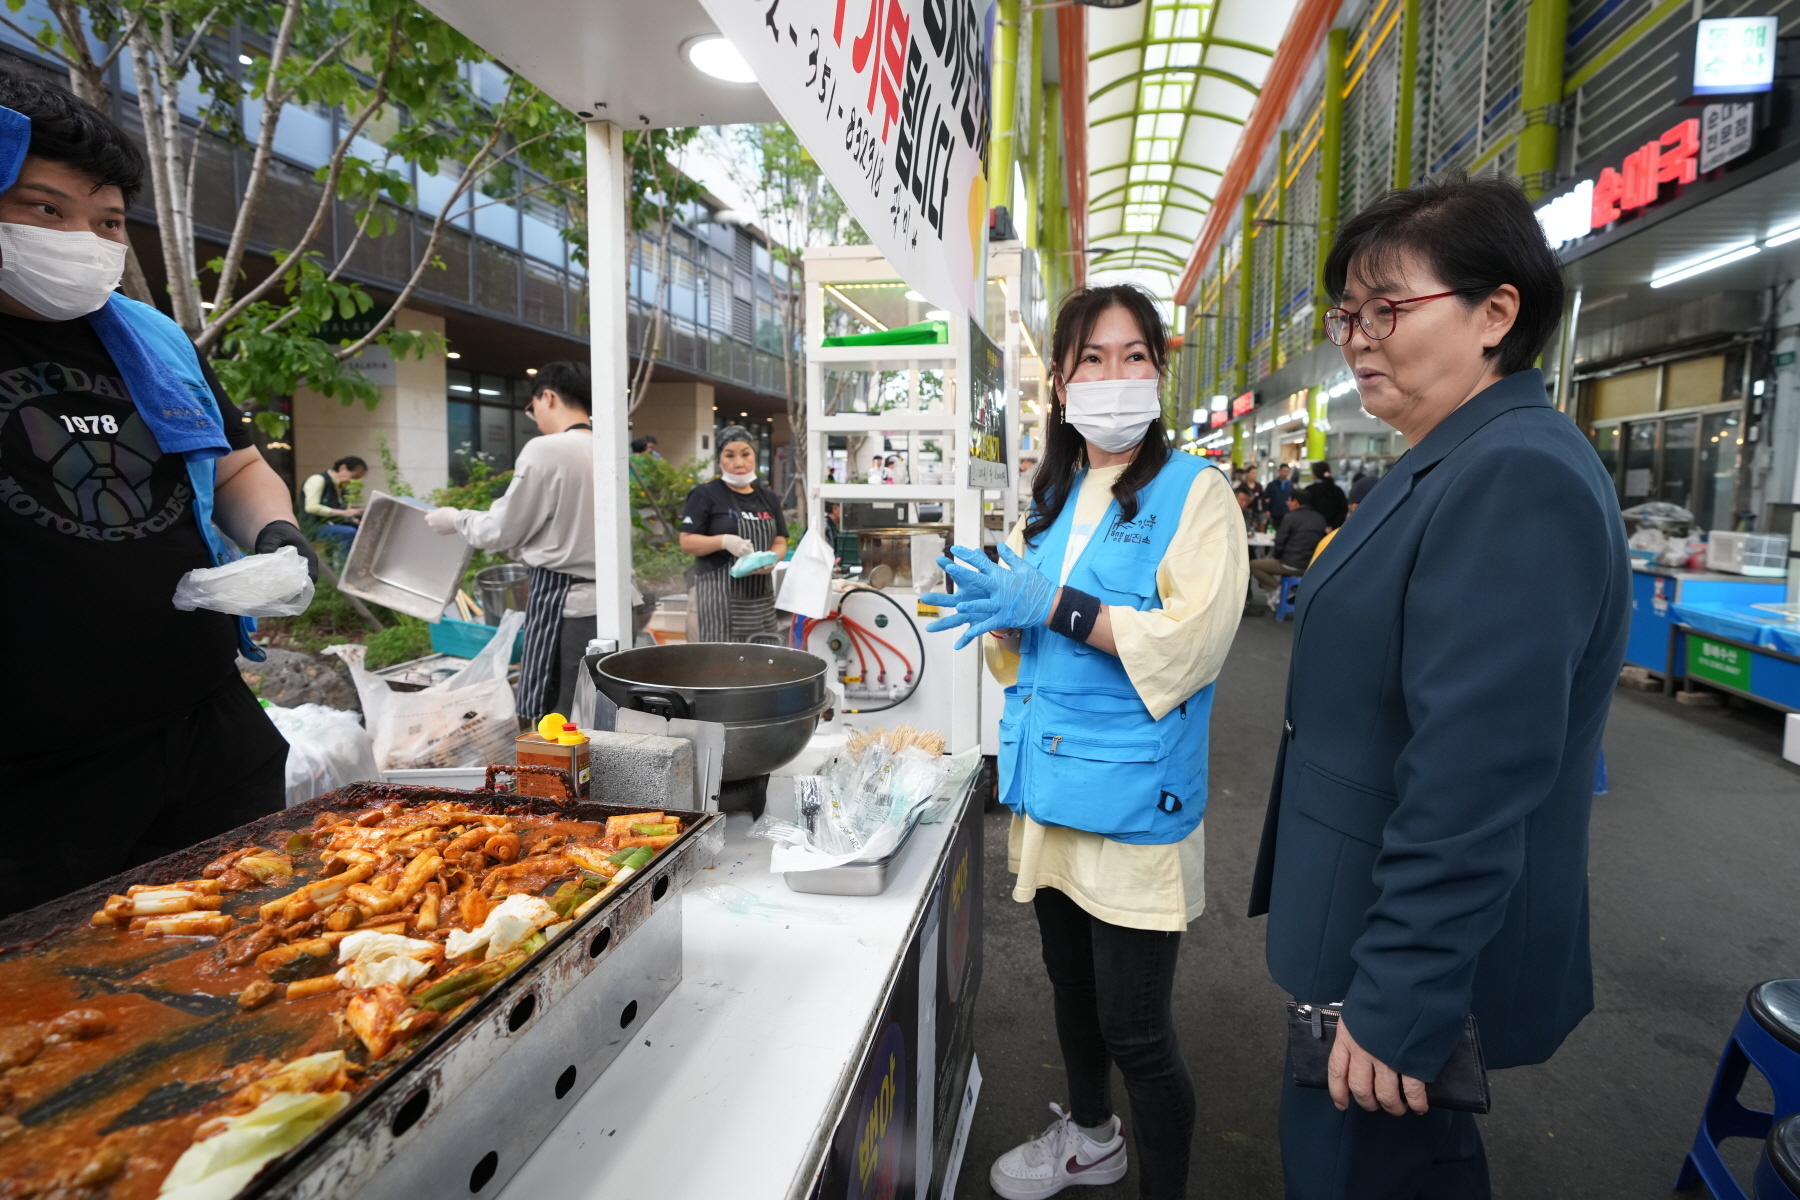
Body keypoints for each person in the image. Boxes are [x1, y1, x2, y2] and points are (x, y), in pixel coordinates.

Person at [1248, 177, 1629, 1198]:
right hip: (1365, 923)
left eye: (1388, 308)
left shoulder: (1514, 475)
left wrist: (1401, 997)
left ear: (1496, 313)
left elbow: (1473, 771)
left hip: (1396, 957)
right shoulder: (1448, 458)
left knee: (1368, 1173)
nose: (1359, 338)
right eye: (1348, 315)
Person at [921, 284, 1246, 1200]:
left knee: (1138, 1029)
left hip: (1136, 806)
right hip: (1050, 792)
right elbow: (1027, 665)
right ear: (1060, 384)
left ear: (1159, 372)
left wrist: (1051, 605)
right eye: (1091, 360)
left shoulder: (1196, 494)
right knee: (1073, 995)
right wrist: (1002, 615)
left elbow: (1191, 647)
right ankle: (1092, 1137)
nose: (1113, 376)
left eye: (1133, 356)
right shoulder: (1054, 497)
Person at [0, 78, 314, 916]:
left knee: (254, 959)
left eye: (106, 221)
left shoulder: (151, 338)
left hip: (208, 733)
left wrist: (280, 534)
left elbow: (239, 468)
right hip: (34, 787)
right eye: (44, 210)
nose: (85, 240)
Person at [426, 361, 597, 723]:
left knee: (558, 719)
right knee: (596, 715)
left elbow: (503, 529)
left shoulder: (547, 449)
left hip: (565, 606)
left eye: (532, 407)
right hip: (611, 602)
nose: (534, 417)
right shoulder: (606, 447)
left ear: (548, 397)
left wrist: (455, 518)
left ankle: (559, 781)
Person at [679, 425, 787, 642]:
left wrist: (772, 559)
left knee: (761, 665)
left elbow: (780, 541)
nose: (739, 463)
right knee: (717, 669)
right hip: (714, 600)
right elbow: (687, 542)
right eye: (730, 455)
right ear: (719, 461)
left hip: (759, 601)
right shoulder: (705, 494)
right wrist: (724, 541)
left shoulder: (768, 498)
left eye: (746, 454)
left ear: (754, 457)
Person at [1248, 486, 1327, 609]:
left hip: (1291, 563)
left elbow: (1280, 543)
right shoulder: (1320, 518)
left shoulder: (1291, 517)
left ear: (1295, 502)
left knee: (1253, 564)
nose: (1288, 503)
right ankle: (1287, 591)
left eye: (1289, 500)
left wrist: (1277, 557)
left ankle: (1280, 590)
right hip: (1312, 565)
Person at [302, 455, 366, 558]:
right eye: (354, 476)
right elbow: (311, 507)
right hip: (313, 527)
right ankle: (342, 570)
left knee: (363, 530)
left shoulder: (342, 488)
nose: (353, 481)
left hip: (331, 525)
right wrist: (344, 513)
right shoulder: (317, 480)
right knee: (349, 533)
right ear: (342, 468)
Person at [1307, 461, 1349, 528]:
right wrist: (1332, 526)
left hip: (1313, 530)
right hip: (1333, 532)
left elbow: (1305, 511)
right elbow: (1343, 510)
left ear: (1314, 475)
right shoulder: (1337, 491)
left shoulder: (1309, 490)